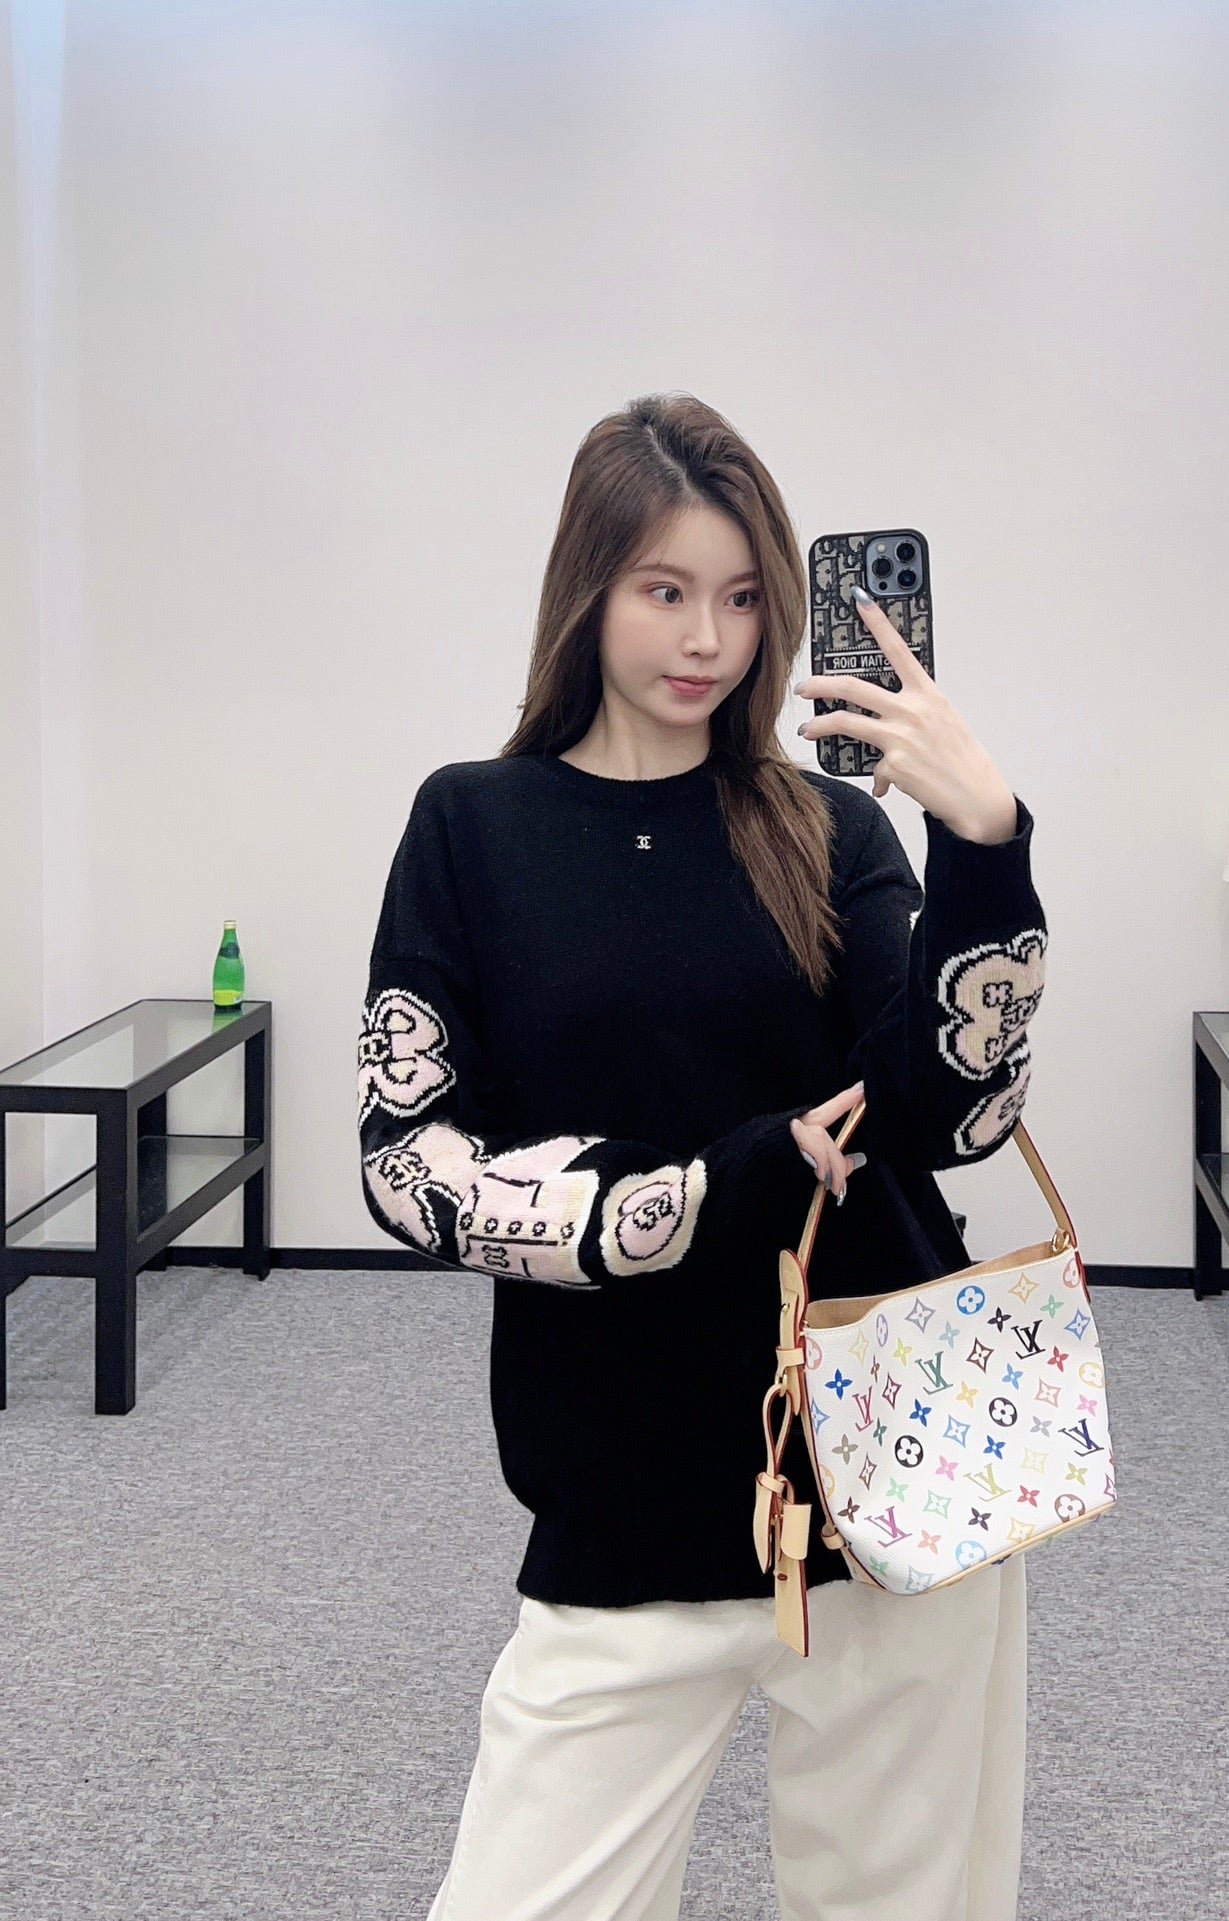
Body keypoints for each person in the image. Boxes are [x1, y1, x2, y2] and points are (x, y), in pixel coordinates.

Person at [357, 392, 1048, 1921]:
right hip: (623, 1490)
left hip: (892, 1469)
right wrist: (701, 1194)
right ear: (588, 587)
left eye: (742, 598)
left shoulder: (826, 824)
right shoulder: (473, 825)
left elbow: (954, 1118)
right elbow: (410, 1163)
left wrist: (985, 847)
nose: (708, 639)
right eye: (665, 589)